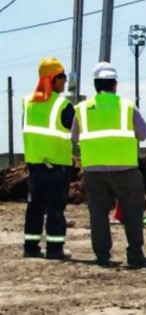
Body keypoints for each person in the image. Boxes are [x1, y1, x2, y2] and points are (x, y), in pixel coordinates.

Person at [71, 61, 146, 268]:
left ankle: (102, 256)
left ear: (96, 85)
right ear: (115, 85)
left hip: (94, 171)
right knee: (133, 212)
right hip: (126, 169)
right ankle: (135, 254)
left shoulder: (82, 109)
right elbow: (144, 134)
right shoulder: (127, 107)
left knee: (98, 213)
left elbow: (74, 137)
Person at [22, 57, 74, 260]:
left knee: (34, 206)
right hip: (58, 165)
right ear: (52, 79)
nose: (64, 81)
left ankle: (31, 246)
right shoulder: (62, 104)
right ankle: (55, 248)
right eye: (62, 77)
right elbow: (75, 131)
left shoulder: (27, 103)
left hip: (34, 164)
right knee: (55, 208)